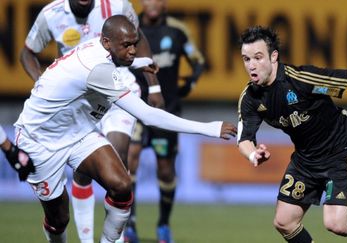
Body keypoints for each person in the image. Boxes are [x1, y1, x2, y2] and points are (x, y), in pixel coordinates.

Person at [14, 15, 236, 243]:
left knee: (121, 185)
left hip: (77, 132)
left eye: (135, 43)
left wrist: (140, 63)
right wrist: (210, 128)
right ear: (107, 42)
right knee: (59, 219)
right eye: (126, 45)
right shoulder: (98, 70)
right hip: (39, 140)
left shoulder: (97, 47)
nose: (133, 50)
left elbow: (116, 63)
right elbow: (148, 116)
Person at [236, 26, 347, 243]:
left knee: (336, 224)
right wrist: (252, 155)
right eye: (246, 59)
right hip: (306, 159)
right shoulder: (250, 99)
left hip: (339, 151)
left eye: (258, 57)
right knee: (284, 222)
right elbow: (244, 138)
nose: (252, 65)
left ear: (273, 56)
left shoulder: (302, 80)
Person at [19, 1, 164, 242]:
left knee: (118, 163)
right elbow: (27, 52)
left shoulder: (118, 5)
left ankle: (115, 237)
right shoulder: (51, 14)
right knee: (82, 175)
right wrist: (42, 82)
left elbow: (138, 39)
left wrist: (154, 86)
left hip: (118, 87)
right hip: (77, 103)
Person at [125, 0, 205, 242]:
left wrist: (190, 82)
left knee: (166, 169)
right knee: (130, 160)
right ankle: (130, 223)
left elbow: (198, 60)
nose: (152, 3)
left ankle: (163, 224)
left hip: (166, 111)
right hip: (134, 109)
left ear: (165, 4)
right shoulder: (129, 28)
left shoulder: (177, 31)